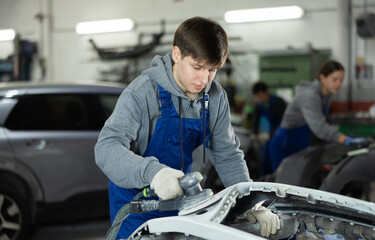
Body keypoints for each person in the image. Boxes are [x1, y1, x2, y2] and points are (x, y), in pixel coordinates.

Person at [95, 16, 280, 239]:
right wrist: (154, 174)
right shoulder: (143, 93)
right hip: (136, 204)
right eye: (197, 67)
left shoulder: (215, 96)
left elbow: (227, 153)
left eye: (212, 70)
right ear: (177, 55)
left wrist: (251, 202)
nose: (204, 79)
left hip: (180, 199)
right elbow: (106, 147)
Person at [269, 60, 368, 173]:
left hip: (302, 140)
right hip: (286, 143)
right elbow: (320, 127)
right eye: (334, 79)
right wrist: (345, 139)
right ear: (322, 77)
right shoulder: (310, 96)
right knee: (283, 183)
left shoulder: (325, 95)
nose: (339, 84)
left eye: (341, 79)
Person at [251, 81, 287, 175]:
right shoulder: (259, 104)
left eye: (260, 95)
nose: (259, 98)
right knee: (265, 161)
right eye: (257, 96)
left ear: (267, 93)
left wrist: (269, 134)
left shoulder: (279, 102)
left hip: (281, 134)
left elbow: (283, 123)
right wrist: (254, 133)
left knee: (276, 160)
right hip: (271, 136)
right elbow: (255, 119)